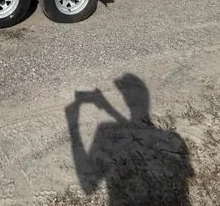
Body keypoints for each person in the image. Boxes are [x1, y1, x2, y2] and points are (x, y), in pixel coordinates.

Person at [65, 74, 193, 205]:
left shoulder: (171, 140)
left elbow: (88, 186)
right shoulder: (172, 141)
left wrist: (72, 124)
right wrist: (108, 108)